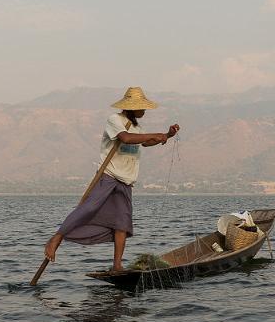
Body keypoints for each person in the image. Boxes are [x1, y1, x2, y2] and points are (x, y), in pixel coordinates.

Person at [43, 86, 180, 271]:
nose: (144, 110)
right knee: (88, 208)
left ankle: (117, 265)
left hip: (126, 180)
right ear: (133, 107)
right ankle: (56, 238)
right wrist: (155, 134)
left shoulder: (138, 127)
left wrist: (167, 135)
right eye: (142, 107)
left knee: (122, 223)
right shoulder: (115, 120)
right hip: (108, 175)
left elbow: (146, 142)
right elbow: (125, 138)